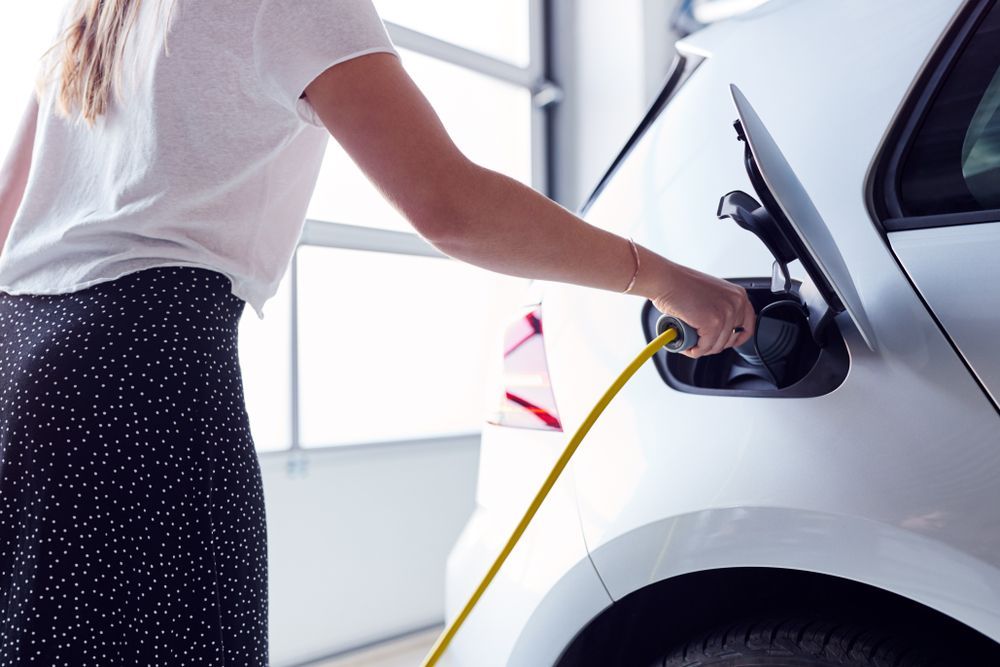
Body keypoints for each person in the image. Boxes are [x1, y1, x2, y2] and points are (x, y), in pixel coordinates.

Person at [0, 0, 754, 664]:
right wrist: (662, 278)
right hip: (138, 371)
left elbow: (8, 212)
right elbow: (450, 206)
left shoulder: (96, 8)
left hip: (21, 356)